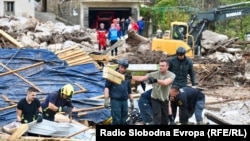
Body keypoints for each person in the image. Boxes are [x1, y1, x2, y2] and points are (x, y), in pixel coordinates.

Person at [132, 59, 175, 125]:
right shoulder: (154, 74)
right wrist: (131, 77)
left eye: (163, 66)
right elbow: (141, 78)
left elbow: (166, 83)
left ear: (167, 67)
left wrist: (155, 80)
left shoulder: (171, 75)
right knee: (157, 116)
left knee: (165, 119)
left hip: (164, 99)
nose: (160, 67)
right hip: (155, 98)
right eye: (160, 65)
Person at [104, 59, 134, 125]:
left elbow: (129, 90)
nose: (123, 69)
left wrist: (131, 100)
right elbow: (107, 87)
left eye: (125, 68)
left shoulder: (127, 77)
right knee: (116, 120)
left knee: (124, 119)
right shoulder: (112, 75)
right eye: (122, 67)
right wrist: (106, 99)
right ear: (119, 66)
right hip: (115, 100)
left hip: (124, 101)